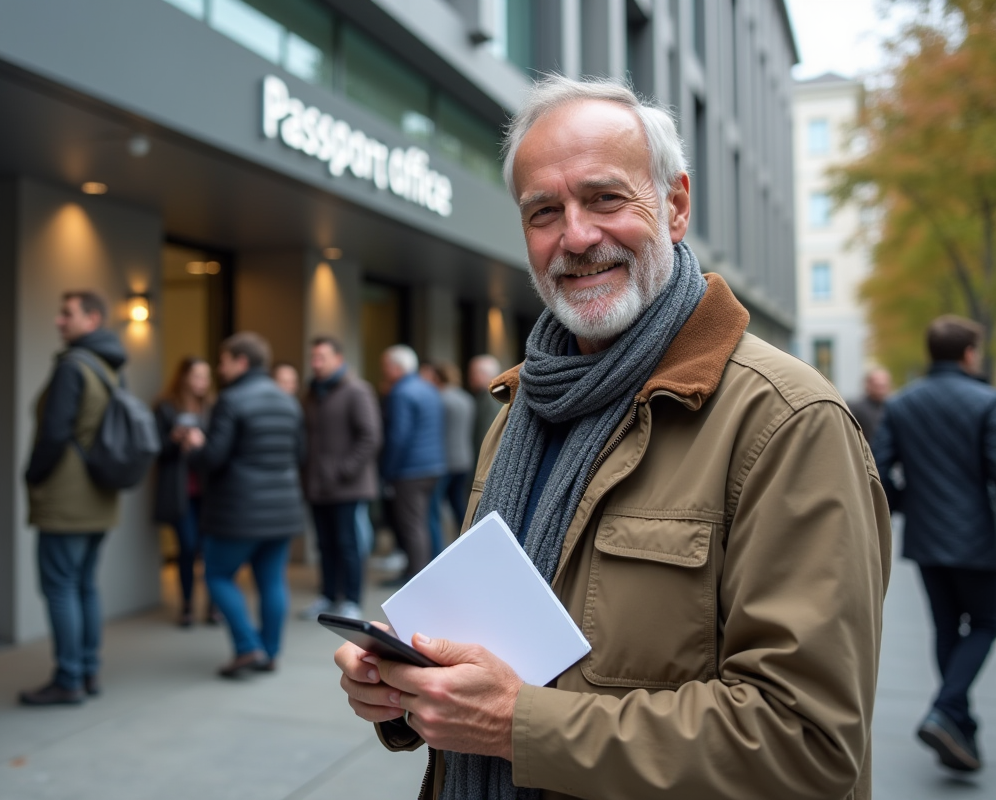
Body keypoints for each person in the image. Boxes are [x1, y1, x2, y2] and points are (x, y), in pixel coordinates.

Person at [334, 75, 890, 799]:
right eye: (544, 211)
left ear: (676, 205)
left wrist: (516, 725)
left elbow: (806, 742)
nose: (575, 236)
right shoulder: (521, 409)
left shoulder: (787, 420)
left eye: (604, 198)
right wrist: (408, 686)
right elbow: (497, 656)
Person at [872, 315, 996, 772]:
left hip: (925, 535)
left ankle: (959, 725)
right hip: (978, 537)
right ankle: (945, 710)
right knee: (985, 622)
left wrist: (909, 502)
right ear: (968, 353)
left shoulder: (902, 405)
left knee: (947, 627)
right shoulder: (987, 402)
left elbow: (878, 470)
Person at [20, 290, 125, 706]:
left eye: (67, 314)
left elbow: (54, 433)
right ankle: (87, 670)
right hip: (100, 497)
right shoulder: (110, 367)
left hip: (67, 499)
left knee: (61, 587)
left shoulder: (72, 366)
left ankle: (68, 678)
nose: (58, 321)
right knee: (84, 585)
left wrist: (32, 475)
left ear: (92, 319)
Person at [189, 332, 304, 677]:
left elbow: (213, 457)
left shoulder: (230, 400)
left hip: (238, 510)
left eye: (223, 361)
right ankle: (269, 652)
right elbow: (301, 454)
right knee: (272, 581)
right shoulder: (288, 402)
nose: (219, 368)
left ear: (241, 362)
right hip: (282, 508)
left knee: (217, 574)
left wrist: (195, 446)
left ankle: (247, 647)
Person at [299, 335, 383, 621]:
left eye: (321, 357)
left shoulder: (356, 390)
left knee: (348, 544)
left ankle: (351, 599)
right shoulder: (312, 393)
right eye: (313, 358)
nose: (315, 363)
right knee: (324, 545)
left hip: (348, 487)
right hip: (317, 485)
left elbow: (370, 437)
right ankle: (327, 595)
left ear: (338, 359)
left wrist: (343, 470)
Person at [153, 356, 216, 627]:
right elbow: (154, 449)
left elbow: (221, 448)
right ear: (184, 377)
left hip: (210, 493)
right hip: (180, 492)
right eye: (197, 375)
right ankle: (187, 605)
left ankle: (213, 606)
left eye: (206, 376)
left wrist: (202, 443)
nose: (203, 381)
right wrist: (174, 440)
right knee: (188, 547)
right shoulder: (166, 407)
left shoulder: (213, 408)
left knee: (211, 550)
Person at [378, 345, 446, 583]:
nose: (384, 371)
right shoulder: (428, 388)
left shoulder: (400, 393)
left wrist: (387, 469)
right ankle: (428, 568)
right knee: (427, 520)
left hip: (410, 469)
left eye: (386, 366)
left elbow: (399, 436)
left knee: (412, 525)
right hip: (433, 465)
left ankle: (415, 575)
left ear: (397, 367)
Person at [425, 361, 476, 552]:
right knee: (459, 506)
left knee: (434, 510)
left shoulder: (439, 400)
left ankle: (437, 552)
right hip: (464, 458)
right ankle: (468, 544)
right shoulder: (466, 398)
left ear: (437, 378)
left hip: (444, 461)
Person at [468, 354, 503, 456]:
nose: (470, 378)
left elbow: (486, 433)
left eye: (473, 373)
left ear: (485, 374)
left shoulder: (490, 397)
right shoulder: (495, 393)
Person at [847, 367, 892, 445]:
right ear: (868, 385)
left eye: (883, 386)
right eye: (877, 386)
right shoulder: (855, 408)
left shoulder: (893, 408)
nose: (880, 390)